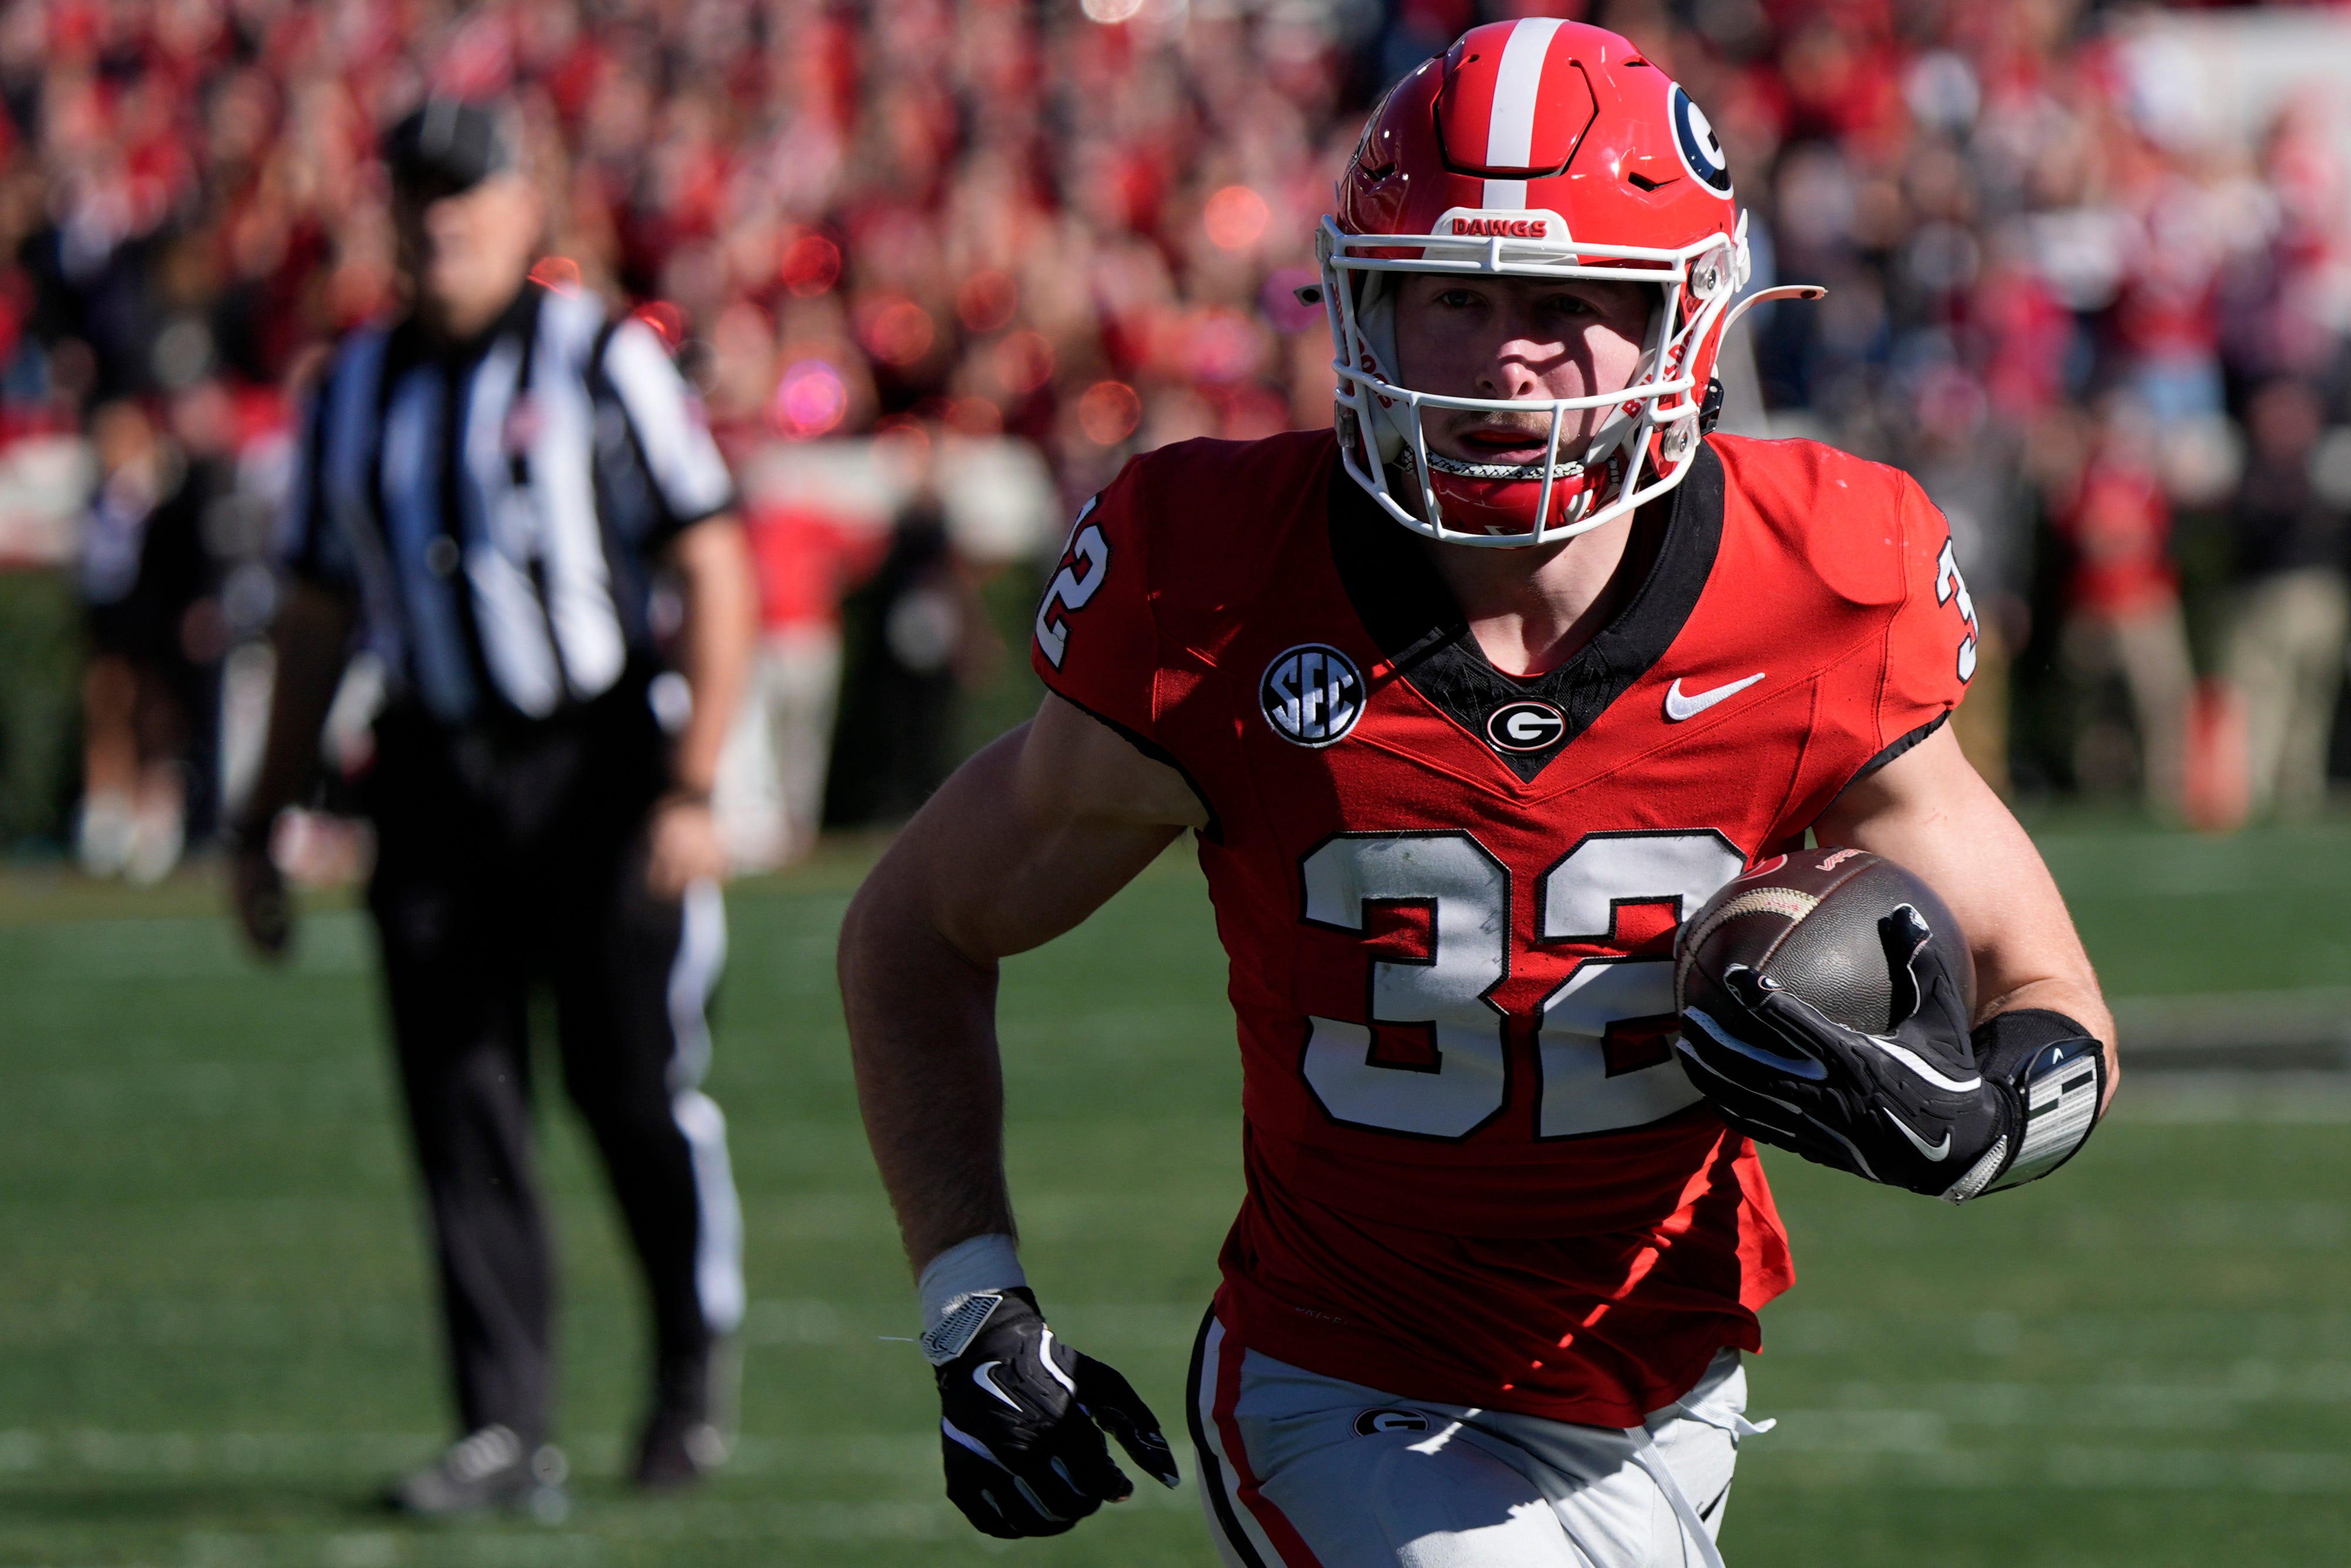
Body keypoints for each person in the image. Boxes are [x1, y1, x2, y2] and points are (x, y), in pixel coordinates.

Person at [838, 22, 2119, 1568]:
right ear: (1364, 301)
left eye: (1570, 303)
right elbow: (916, 927)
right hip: (1340, 1384)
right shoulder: (1216, 581)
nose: (1510, 358)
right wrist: (970, 1298)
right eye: (1455, 295)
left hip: (1672, 1386)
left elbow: (2054, 995)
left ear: (1684, 323)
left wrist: (1982, 1121)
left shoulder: (1821, 580)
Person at [228, 99, 758, 1513]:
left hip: (596, 765)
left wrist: (692, 782)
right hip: (432, 772)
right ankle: (502, 1424)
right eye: (418, 190)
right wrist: (262, 815)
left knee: (628, 1085)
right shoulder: (351, 385)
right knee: (458, 1097)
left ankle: (687, 1363)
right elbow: (317, 612)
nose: (440, 216)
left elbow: (713, 561)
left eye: (467, 188)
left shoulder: (601, 358)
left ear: (531, 206)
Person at [2223, 377, 2348, 818]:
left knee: (2311, 698)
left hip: (2319, 593)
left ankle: (2299, 787)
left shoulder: (2326, 466)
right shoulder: (2251, 470)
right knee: (2260, 694)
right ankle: (2253, 786)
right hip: (2264, 595)